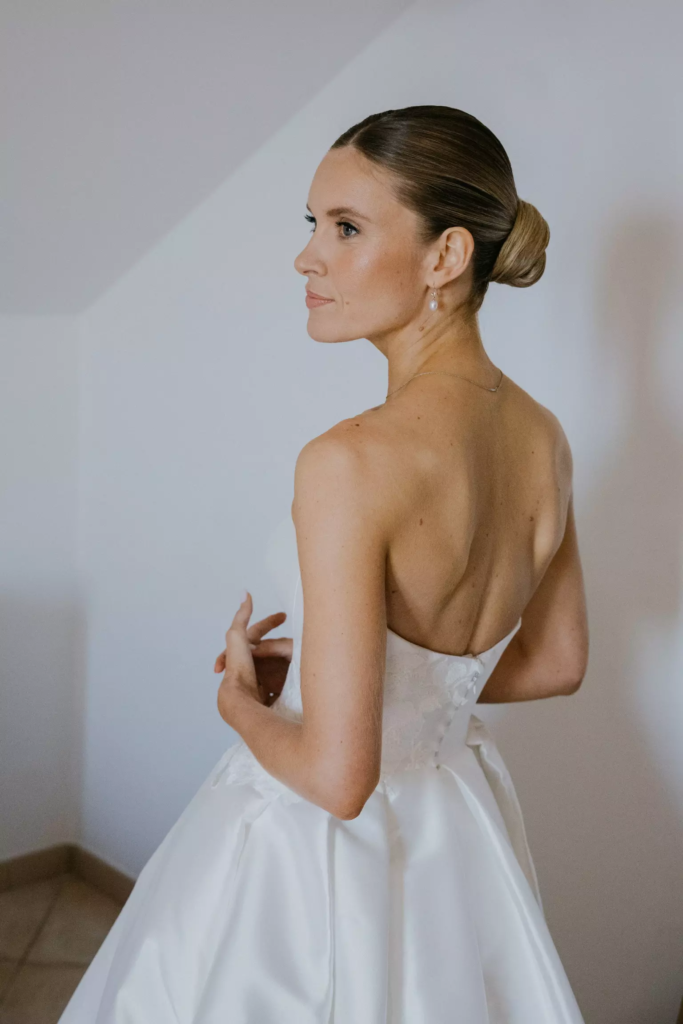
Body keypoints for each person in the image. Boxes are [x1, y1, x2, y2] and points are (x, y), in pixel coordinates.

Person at [60, 105, 589, 1022]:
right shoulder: (543, 437)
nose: (307, 257)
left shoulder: (347, 461)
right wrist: (348, 675)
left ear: (445, 256)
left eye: (345, 228)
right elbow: (555, 662)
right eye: (313, 224)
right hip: (455, 838)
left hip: (318, 872)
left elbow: (341, 782)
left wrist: (240, 702)